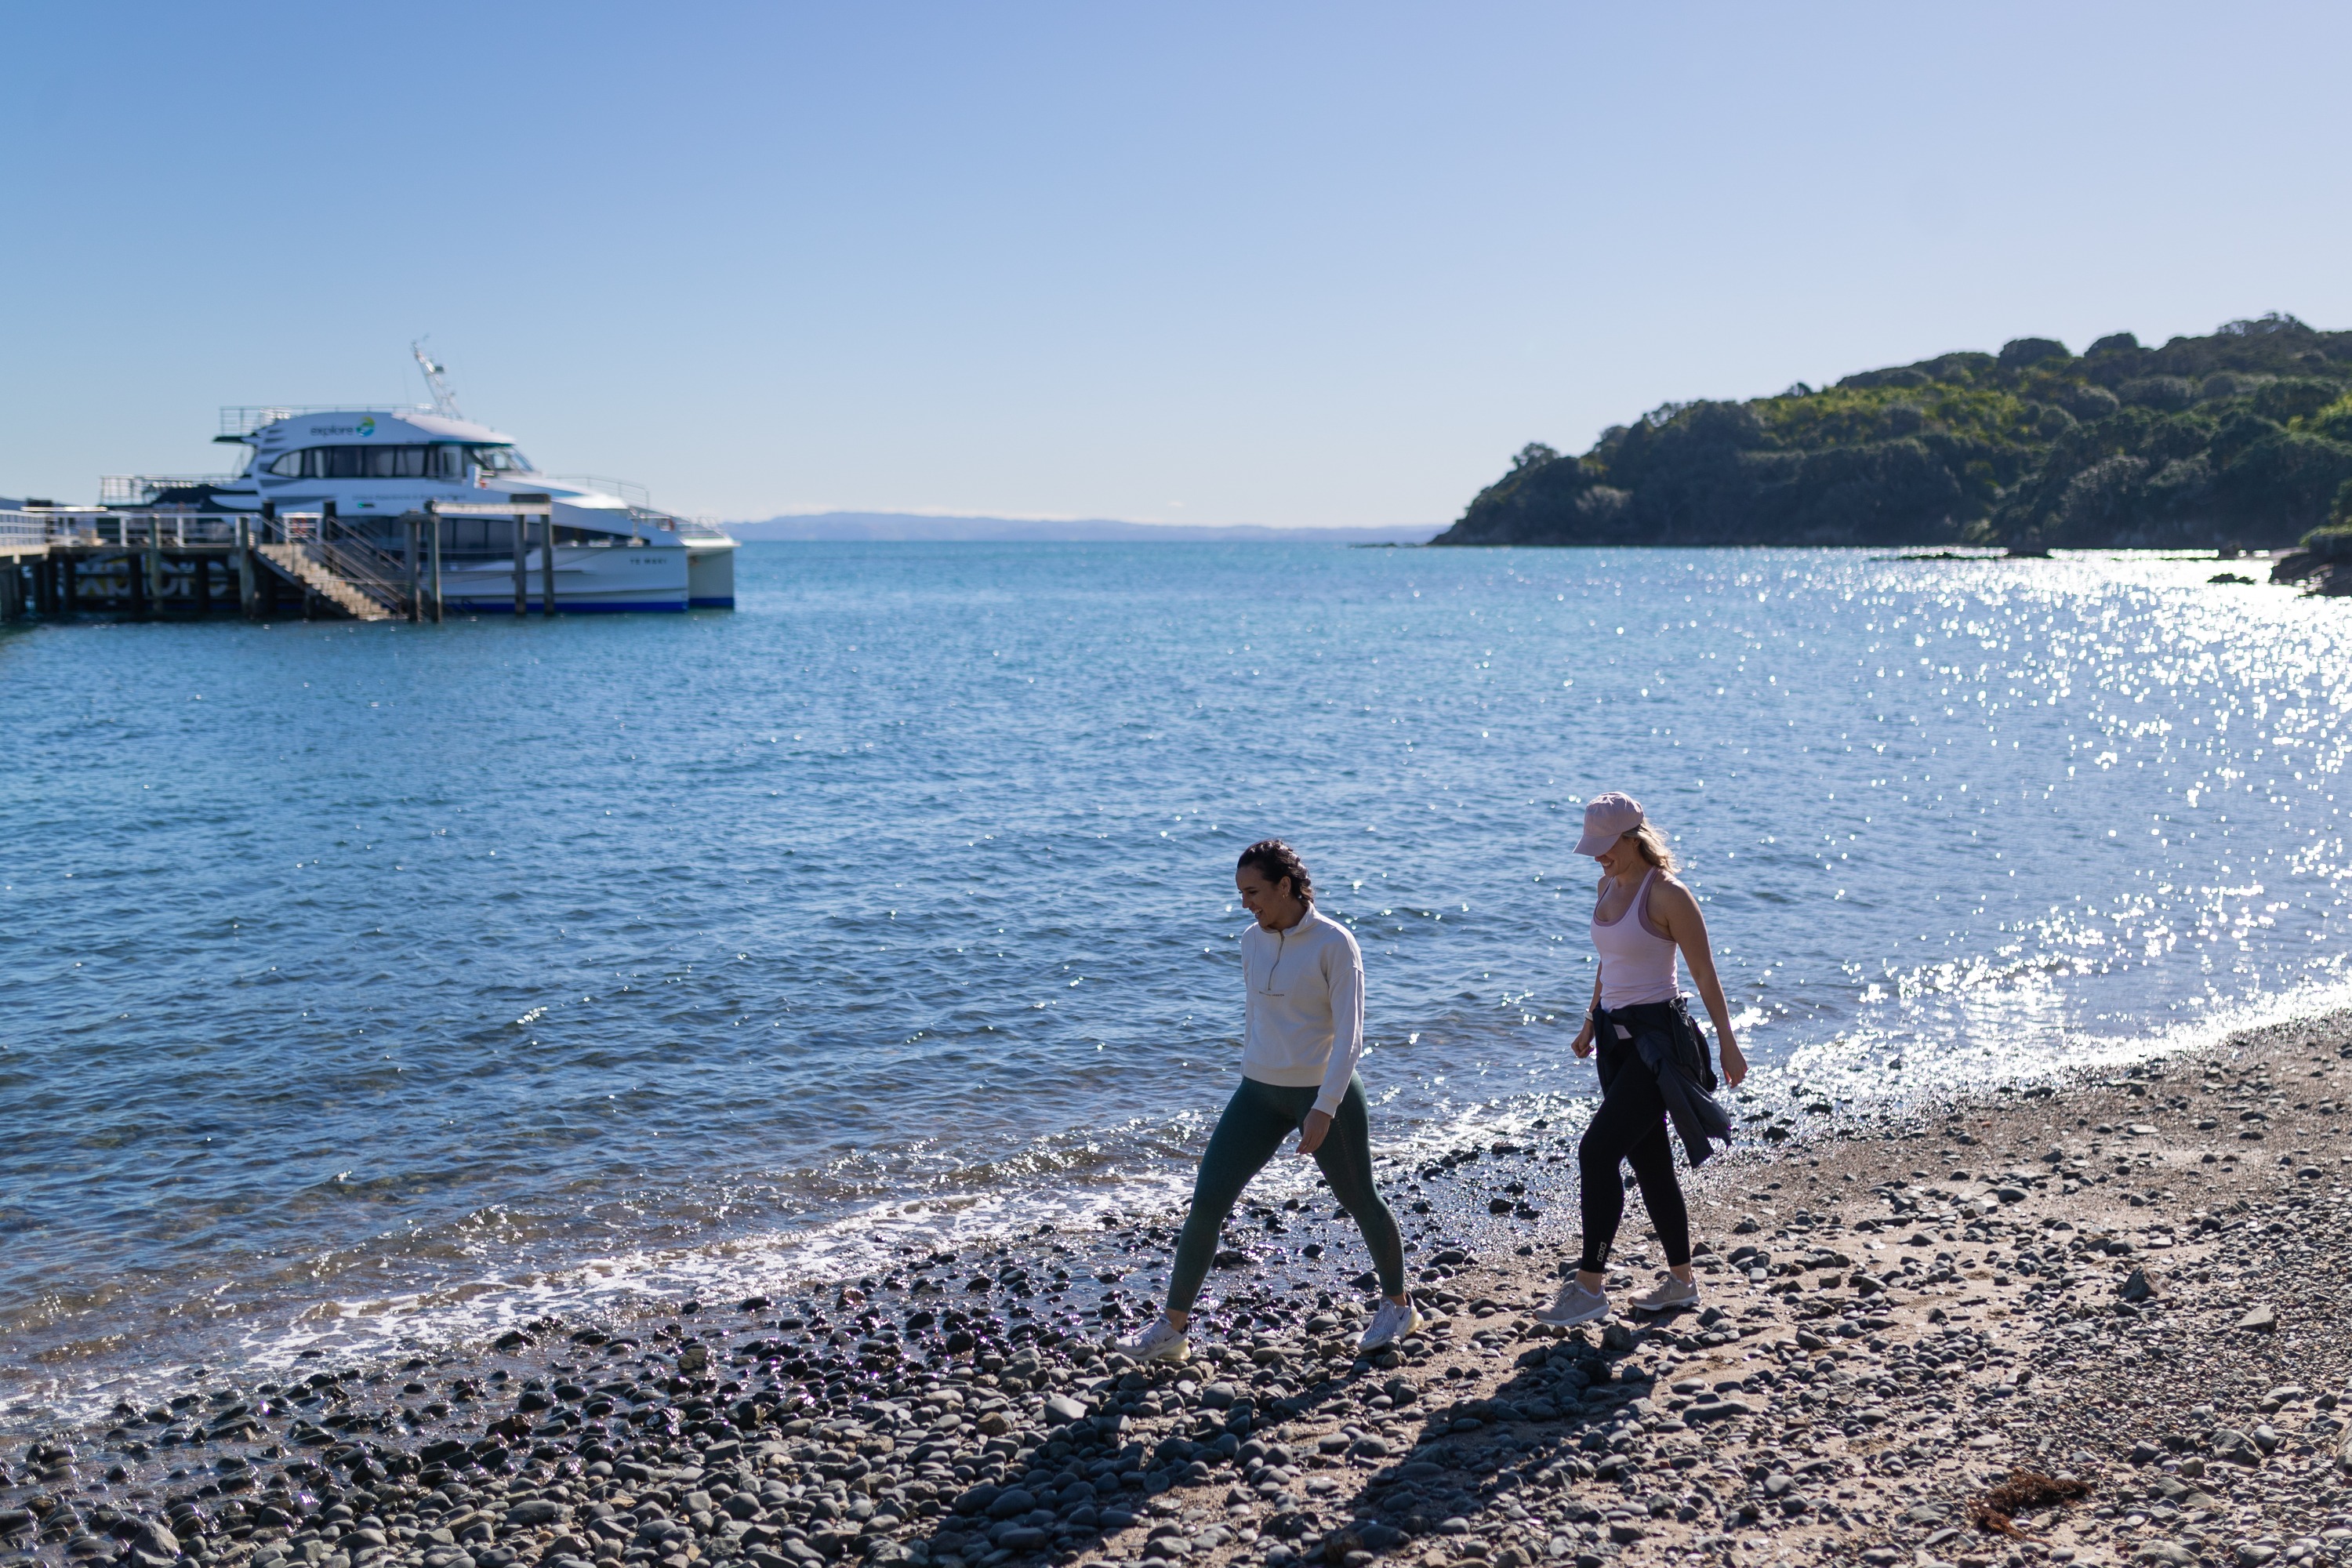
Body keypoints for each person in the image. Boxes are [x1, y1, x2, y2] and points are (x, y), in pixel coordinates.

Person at [1115, 839, 1421, 1363]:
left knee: (1359, 1199)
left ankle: (1399, 1306)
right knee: (1208, 1200)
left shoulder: (1334, 943)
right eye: (1240, 893)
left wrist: (1323, 1107)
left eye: (1253, 891)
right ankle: (1172, 1330)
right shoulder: (1250, 942)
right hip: (1258, 1092)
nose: (1245, 904)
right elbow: (1260, 1018)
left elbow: (1350, 1037)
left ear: (1286, 886)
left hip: (1324, 1094)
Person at [1536, 793, 1745, 1327]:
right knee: (1649, 1161)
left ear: (1634, 838)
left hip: (1658, 1044)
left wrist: (1727, 1042)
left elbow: (1704, 974)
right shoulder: (1609, 884)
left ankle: (1590, 1286)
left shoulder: (1669, 895)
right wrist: (1589, 1021)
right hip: (1614, 1039)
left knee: (1596, 1152)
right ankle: (1681, 1281)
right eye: (1594, 849)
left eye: (1605, 848)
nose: (1597, 857)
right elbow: (1607, 964)